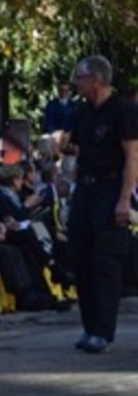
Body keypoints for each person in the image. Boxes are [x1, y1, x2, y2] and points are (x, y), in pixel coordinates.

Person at [62, 55, 138, 353]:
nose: (77, 83)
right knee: (81, 254)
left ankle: (103, 331)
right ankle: (89, 326)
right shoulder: (84, 112)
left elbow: (133, 156)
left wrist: (124, 199)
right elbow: (76, 146)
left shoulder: (122, 110)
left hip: (111, 185)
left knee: (106, 260)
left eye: (80, 77)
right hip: (87, 187)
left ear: (96, 79)